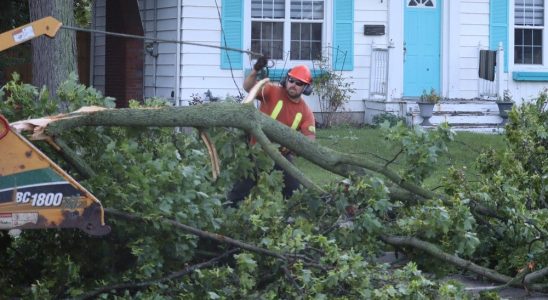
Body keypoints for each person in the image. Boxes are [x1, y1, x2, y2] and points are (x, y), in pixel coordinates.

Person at [227, 57, 316, 205]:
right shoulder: (272, 91)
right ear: (286, 79)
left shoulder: (306, 112)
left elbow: (310, 140)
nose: (293, 85)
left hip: (280, 156)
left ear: (306, 88)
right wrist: (255, 70)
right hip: (257, 151)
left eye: (299, 83)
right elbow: (248, 87)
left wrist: (295, 147)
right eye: (291, 80)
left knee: (294, 190)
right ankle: (230, 211)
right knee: (240, 189)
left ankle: (292, 216)